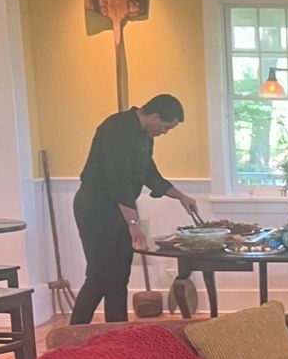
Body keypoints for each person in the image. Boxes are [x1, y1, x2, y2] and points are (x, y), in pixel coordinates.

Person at [70, 94, 198, 325]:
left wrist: (181, 196)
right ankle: (73, 334)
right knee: (100, 275)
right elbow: (117, 181)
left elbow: (149, 174)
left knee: (120, 276)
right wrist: (133, 224)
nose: (164, 132)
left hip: (120, 208)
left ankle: (117, 333)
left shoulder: (145, 136)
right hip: (95, 208)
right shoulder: (116, 129)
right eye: (166, 127)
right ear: (155, 117)